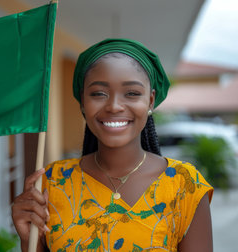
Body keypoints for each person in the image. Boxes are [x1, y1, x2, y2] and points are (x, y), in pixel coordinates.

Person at [12, 38, 213, 252]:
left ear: (151, 101)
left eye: (132, 93)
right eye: (99, 93)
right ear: (82, 101)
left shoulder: (185, 186)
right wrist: (28, 240)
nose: (114, 106)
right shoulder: (52, 182)